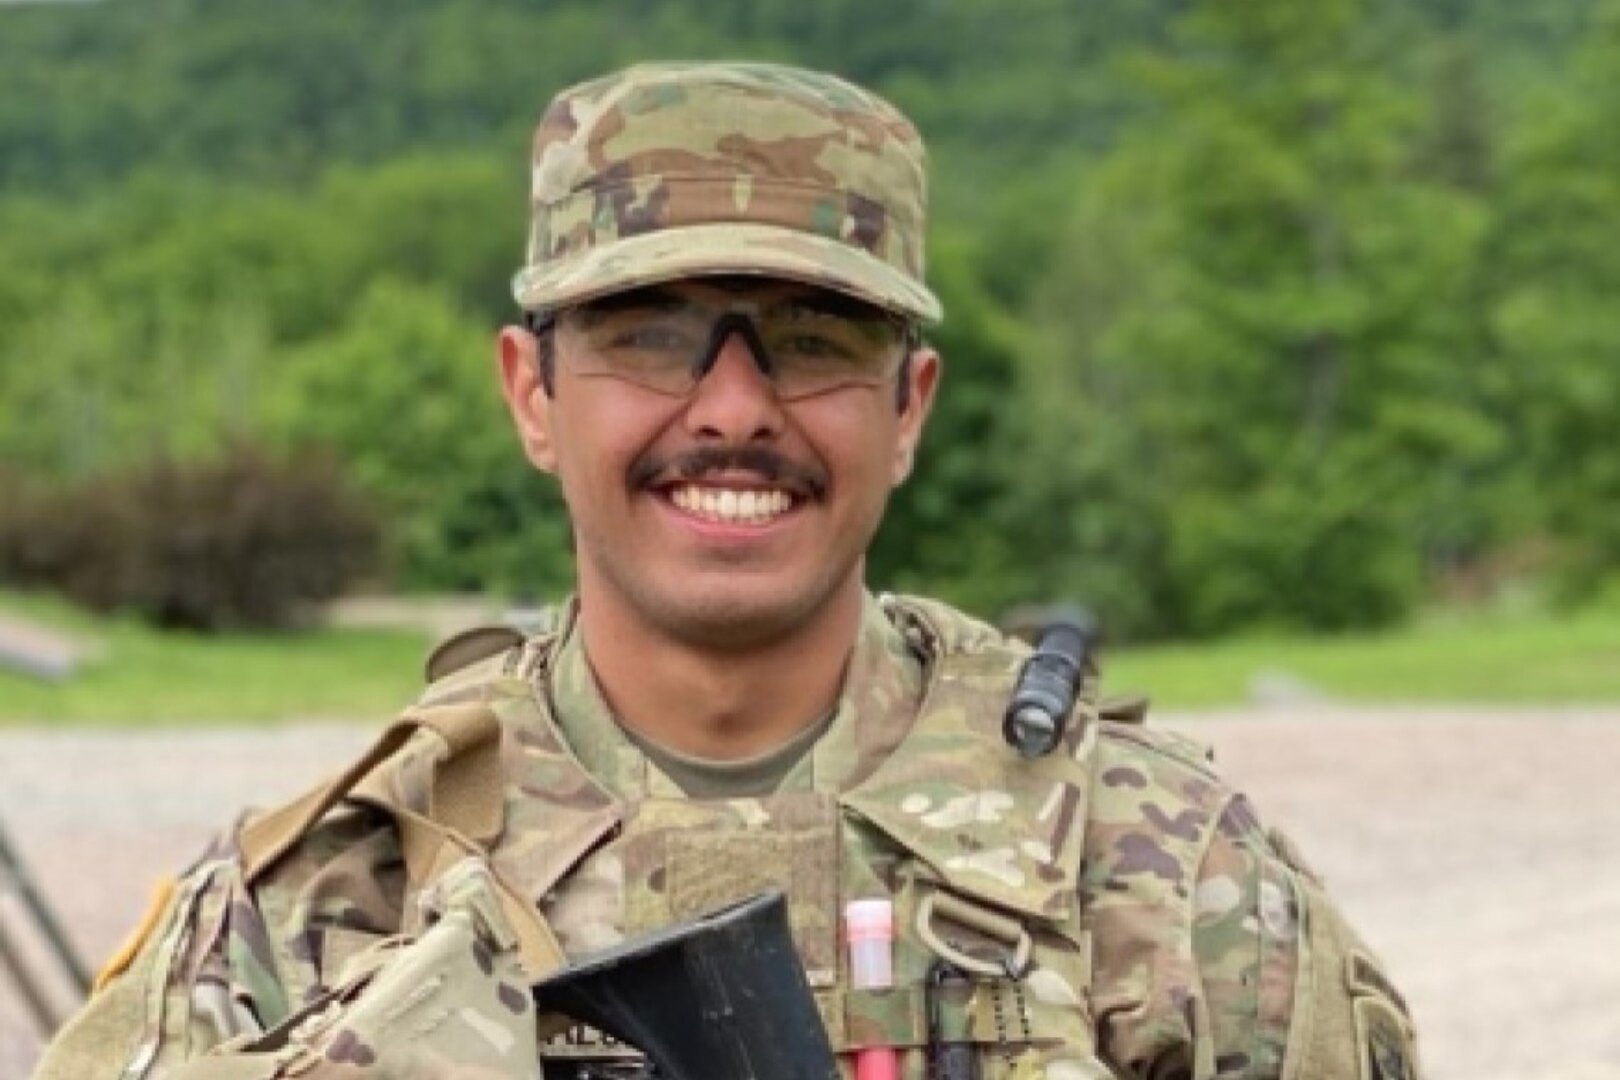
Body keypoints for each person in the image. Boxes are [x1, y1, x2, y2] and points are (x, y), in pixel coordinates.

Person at [33, 62, 1420, 1080]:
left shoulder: (1155, 875)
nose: (734, 408)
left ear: (912, 405)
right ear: (532, 393)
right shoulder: (335, 900)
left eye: (813, 340)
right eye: (652, 335)